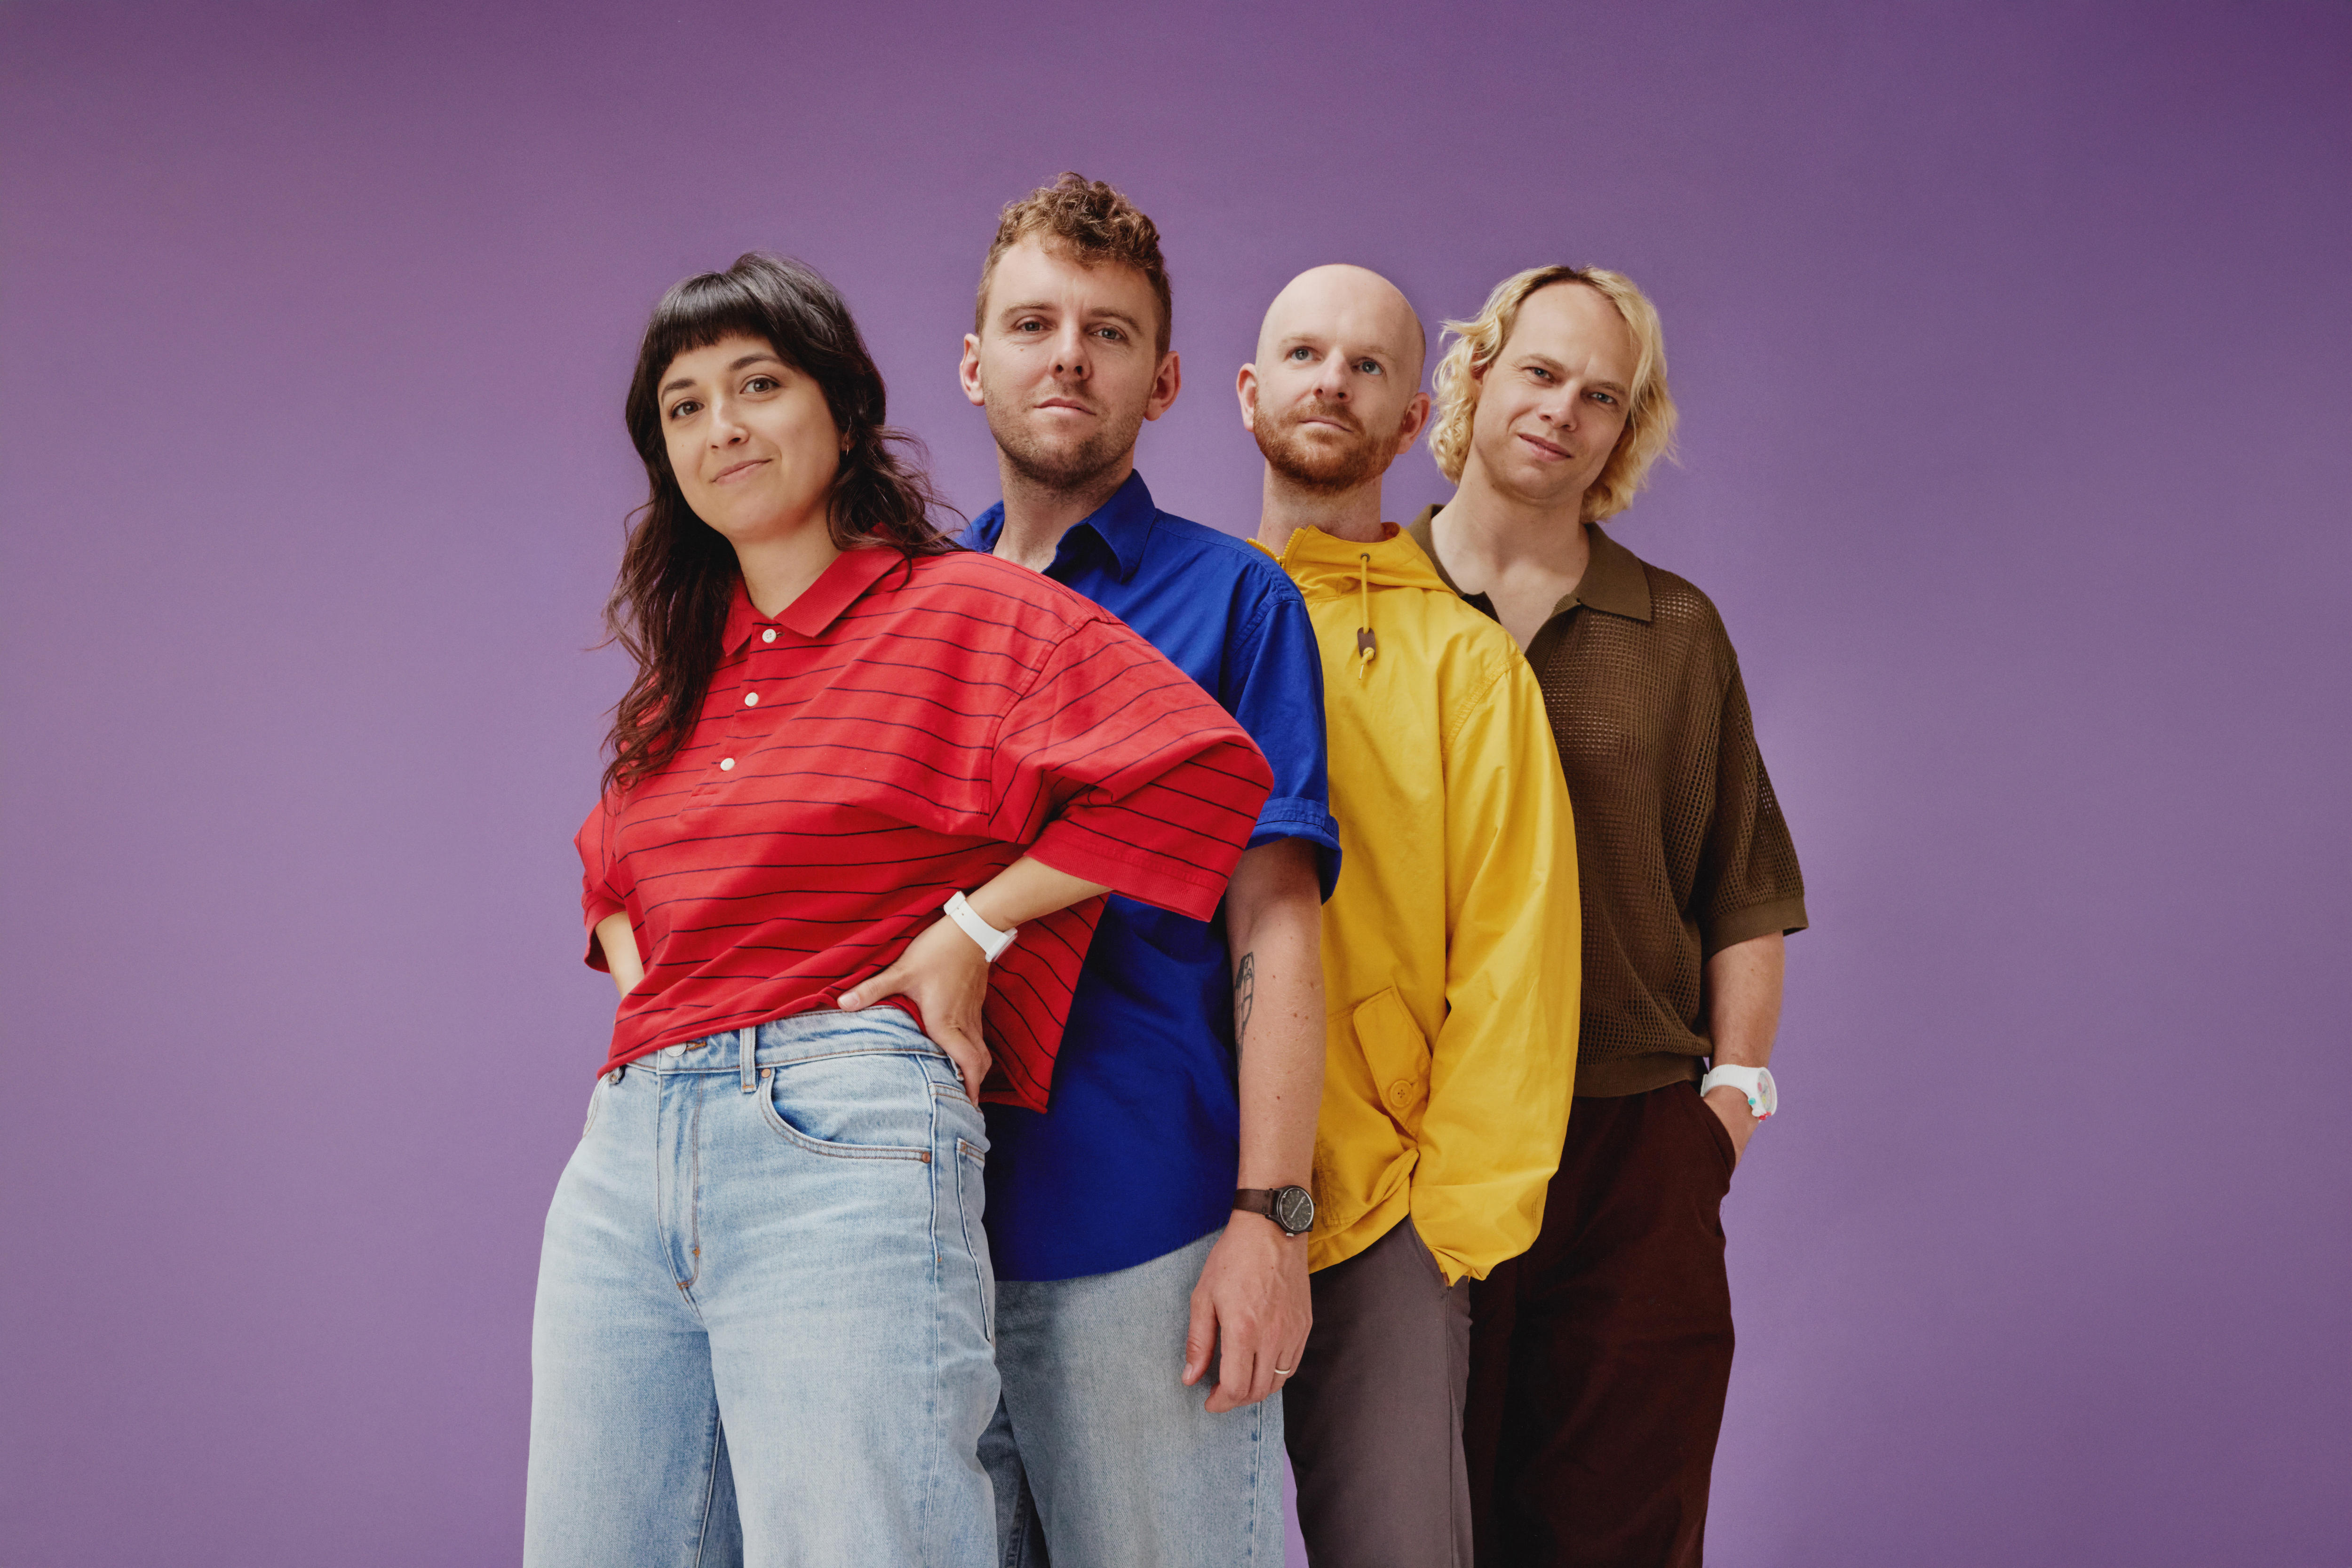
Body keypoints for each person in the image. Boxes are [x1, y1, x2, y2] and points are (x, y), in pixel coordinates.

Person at [523, 252, 1275, 1568]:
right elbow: (612, 873)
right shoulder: (674, 689)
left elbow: (1203, 772)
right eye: (684, 406)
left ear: (845, 411)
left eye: (757, 384)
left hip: (843, 1124)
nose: (723, 428)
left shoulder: (972, 610)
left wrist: (975, 931)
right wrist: (665, 1018)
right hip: (630, 1151)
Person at [956, 174, 1338, 1568]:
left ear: (1165, 379)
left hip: (1142, 1238)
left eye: (1109, 333)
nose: (1069, 355)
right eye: (1036, 322)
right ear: (975, 359)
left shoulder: (1236, 599)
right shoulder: (913, 609)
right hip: (913, 1245)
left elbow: (1278, 924)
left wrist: (1268, 1220)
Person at [1409, 266, 1809, 1568]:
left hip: (1633, 1144)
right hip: (1418, 1134)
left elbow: (1741, 882)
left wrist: (1730, 1105)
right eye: (1539, 373)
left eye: (1600, 396)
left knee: (1621, 1538)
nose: (1561, 412)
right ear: (1476, 374)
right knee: (1419, 1528)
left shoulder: (1677, 629)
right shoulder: (1361, 601)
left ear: (1622, 433)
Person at [1239, 264, 1581, 1568]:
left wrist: (1455, 1226)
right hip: (1161, 1187)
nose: (1331, 380)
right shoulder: (1173, 621)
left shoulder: (1470, 666)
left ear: (1410, 416)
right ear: (1245, 390)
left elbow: (1519, 954)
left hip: (1380, 1208)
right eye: (1304, 353)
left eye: (1368, 365)